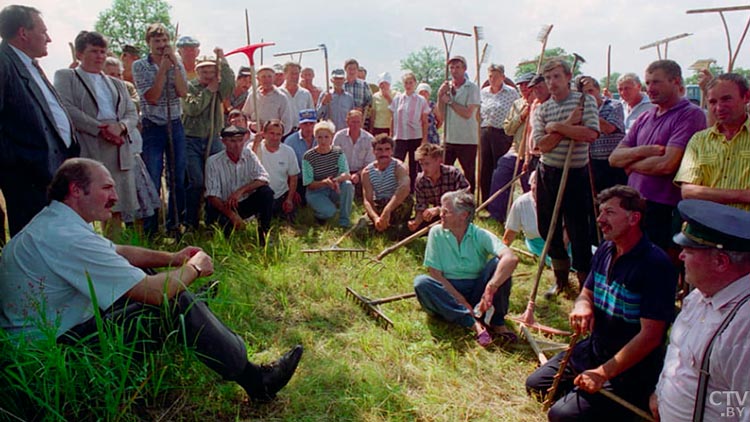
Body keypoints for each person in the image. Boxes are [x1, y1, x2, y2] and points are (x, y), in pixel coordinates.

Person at [0, 157, 303, 402]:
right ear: (76, 190)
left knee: (162, 285)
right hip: (53, 355)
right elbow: (154, 294)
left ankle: (197, 314)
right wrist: (194, 268)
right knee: (173, 300)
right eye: (106, 188)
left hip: (52, 337)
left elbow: (118, 252)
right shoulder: (66, 236)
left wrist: (172, 259)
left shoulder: (58, 223)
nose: (115, 197)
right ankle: (257, 380)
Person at [526, 185, 677, 421]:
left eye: (609, 213)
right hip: (593, 350)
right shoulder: (607, 248)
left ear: (634, 218)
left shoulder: (656, 266)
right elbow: (587, 291)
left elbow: (651, 337)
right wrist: (582, 305)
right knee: (536, 385)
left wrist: (603, 373)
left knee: (561, 416)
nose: (600, 219)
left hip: (630, 369)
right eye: (600, 212)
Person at [650, 199, 750, 422]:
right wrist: (661, 392)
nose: (681, 256)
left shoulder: (745, 327)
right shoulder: (700, 295)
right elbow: (677, 351)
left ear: (721, 262)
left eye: (689, 250)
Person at [609, 60, 706, 253]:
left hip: (664, 206)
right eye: (648, 83)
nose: (650, 88)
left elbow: (667, 164)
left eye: (656, 82)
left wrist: (631, 163)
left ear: (676, 81)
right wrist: (645, 151)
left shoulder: (690, 115)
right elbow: (614, 158)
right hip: (636, 202)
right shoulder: (646, 116)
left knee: (659, 264)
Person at [0, 4, 78, 236]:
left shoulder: (29, 64)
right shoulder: (4, 63)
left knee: (54, 237)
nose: (49, 38)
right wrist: (14, 160)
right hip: (27, 175)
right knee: (34, 241)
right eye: (43, 32)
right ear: (23, 33)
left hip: (51, 169)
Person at [54, 30, 139, 236]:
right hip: (89, 145)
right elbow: (65, 107)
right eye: (94, 51)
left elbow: (131, 112)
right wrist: (99, 129)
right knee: (86, 201)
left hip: (119, 147)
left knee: (114, 202)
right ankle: (86, 247)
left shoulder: (117, 84)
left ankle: (116, 249)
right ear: (80, 54)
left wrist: (121, 127)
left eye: (103, 51)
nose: (100, 56)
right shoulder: (67, 76)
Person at [413, 190, 518, 346]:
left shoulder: (479, 234)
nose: (440, 215)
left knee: (500, 265)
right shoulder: (436, 232)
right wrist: (460, 300)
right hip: (448, 290)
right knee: (421, 283)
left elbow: (511, 258)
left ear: (463, 215)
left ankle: (497, 323)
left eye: (446, 212)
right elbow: (435, 274)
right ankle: (473, 323)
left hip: (478, 289)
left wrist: (491, 286)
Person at [532, 59, 599, 296]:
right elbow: (542, 146)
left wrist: (557, 127)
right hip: (547, 172)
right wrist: (568, 124)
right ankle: (561, 280)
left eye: (556, 77)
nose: (552, 82)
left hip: (575, 173)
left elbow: (590, 134)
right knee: (547, 227)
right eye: (548, 78)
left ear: (568, 76)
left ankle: (585, 286)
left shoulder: (584, 101)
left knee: (578, 229)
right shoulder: (541, 109)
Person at [132, 23, 189, 234]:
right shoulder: (140, 66)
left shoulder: (177, 62)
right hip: (153, 125)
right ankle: (151, 228)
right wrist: (163, 71)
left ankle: (175, 225)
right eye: (157, 41)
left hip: (175, 123)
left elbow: (183, 92)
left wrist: (174, 68)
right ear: (149, 43)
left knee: (178, 177)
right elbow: (152, 97)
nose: (162, 45)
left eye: (165, 40)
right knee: (153, 177)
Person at [675, 73, 750, 211]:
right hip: (704, 228)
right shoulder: (699, 140)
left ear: (746, 97)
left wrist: (708, 193)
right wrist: (742, 195)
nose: (719, 108)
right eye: (712, 102)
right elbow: (688, 192)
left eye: (726, 99)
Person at [182, 51, 234, 229]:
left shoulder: (219, 89)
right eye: (204, 71)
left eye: (212, 71)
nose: (208, 75)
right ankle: (191, 222)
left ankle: (214, 220)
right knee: (196, 181)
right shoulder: (188, 87)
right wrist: (208, 91)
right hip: (191, 141)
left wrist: (224, 61)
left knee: (216, 181)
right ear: (198, 72)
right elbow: (192, 108)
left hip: (213, 139)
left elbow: (229, 83)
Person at [205, 125, 274, 242]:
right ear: (224, 142)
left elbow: (264, 177)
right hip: (223, 206)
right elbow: (212, 196)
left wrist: (241, 191)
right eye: (232, 141)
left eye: (240, 140)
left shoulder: (249, 155)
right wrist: (232, 216)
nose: (237, 145)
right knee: (223, 231)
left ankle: (264, 235)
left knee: (266, 192)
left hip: (242, 202)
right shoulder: (213, 162)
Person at [488, 72, 535, 222]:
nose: (523, 88)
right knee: (500, 174)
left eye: (527, 85)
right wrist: (521, 116)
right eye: (520, 85)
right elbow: (508, 129)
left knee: (531, 185)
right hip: (516, 151)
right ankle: (497, 215)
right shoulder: (518, 104)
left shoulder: (542, 103)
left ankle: (532, 219)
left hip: (534, 153)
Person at [436, 56, 480, 192]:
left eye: (458, 67)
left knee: (468, 173)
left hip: (467, 139)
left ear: (464, 69)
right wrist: (440, 96)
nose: (454, 71)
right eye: (452, 68)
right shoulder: (447, 87)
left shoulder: (472, 88)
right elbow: (440, 115)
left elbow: (467, 113)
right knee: (444, 171)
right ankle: (445, 201)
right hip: (449, 138)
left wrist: (450, 101)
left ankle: (469, 201)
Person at [578, 76, 627, 193]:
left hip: (613, 163)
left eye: (590, 91)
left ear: (598, 90)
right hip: (592, 162)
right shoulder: (580, 110)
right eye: (584, 93)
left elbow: (609, 128)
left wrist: (590, 112)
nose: (588, 96)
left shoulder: (614, 105)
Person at [479, 63, 519, 202]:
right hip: (485, 132)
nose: (493, 79)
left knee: (500, 167)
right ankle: (485, 201)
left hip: (502, 134)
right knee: (485, 167)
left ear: (503, 77)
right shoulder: (483, 92)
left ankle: (500, 201)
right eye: (490, 76)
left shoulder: (512, 93)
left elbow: (518, 111)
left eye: (496, 76)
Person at [302, 120, 354, 227]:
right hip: (316, 191)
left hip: (334, 187)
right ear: (315, 138)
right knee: (330, 212)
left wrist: (336, 181)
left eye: (326, 137)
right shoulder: (308, 156)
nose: (323, 140)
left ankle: (344, 220)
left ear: (332, 137)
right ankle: (318, 214)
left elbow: (346, 174)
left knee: (348, 185)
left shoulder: (338, 152)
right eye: (319, 137)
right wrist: (324, 183)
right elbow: (308, 183)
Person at [408, 143, 469, 232]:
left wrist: (440, 209)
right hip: (438, 216)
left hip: (456, 212)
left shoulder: (453, 174)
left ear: (438, 160)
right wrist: (416, 222)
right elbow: (421, 206)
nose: (424, 168)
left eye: (427, 164)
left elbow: (465, 199)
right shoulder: (421, 180)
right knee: (406, 230)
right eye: (421, 164)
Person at [361, 134, 412, 233]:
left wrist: (387, 210)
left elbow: (405, 188)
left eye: (387, 149)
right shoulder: (367, 172)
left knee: (406, 203)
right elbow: (368, 200)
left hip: (396, 203)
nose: (383, 153)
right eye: (379, 149)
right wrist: (376, 218)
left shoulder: (399, 167)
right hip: (379, 203)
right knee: (361, 230)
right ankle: (383, 225)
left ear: (392, 151)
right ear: (373, 151)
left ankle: (395, 227)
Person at [391, 72, 430, 192]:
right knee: (397, 163)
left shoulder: (421, 100)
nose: (408, 85)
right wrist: (391, 135)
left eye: (410, 83)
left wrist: (424, 139)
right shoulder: (397, 99)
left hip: (415, 136)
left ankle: (414, 189)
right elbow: (393, 118)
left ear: (415, 84)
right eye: (406, 83)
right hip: (400, 136)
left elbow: (424, 121)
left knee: (415, 165)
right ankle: (396, 187)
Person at [255, 120, 300, 217]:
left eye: (278, 134)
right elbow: (250, 165)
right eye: (271, 133)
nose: (275, 137)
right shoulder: (255, 148)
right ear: (264, 133)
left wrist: (289, 199)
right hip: (260, 195)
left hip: (281, 195)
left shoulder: (288, 151)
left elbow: (293, 177)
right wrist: (255, 144)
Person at [242, 65, 294, 138]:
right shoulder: (252, 95)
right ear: (258, 79)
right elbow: (244, 116)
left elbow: (287, 123)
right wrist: (250, 125)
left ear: (274, 78)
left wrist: (276, 135)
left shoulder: (281, 97)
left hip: (274, 139)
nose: (267, 80)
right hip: (255, 136)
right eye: (263, 77)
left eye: (269, 76)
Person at [332, 109, 375, 191]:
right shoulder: (339, 136)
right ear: (347, 122)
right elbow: (334, 158)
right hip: (342, 171)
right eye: (353, 122)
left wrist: (358, 175)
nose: (355, 125)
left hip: (361, 172)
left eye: (358, 122)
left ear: (362, 123)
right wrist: (345, 174)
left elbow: (370, 163)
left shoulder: (369, 139)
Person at [285, 109, 318, 204]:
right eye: (305, 124)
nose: (308, 127)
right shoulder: (290, 141)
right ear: (299, 125)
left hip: (318, 178)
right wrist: (292, 190)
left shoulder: (321, 138)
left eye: (311, 124)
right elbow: (286, 169)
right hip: (299, 180)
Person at [278, 62, 314, 132]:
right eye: (292, 73)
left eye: (297, 74)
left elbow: (311, 116)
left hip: (301, 133)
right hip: (282, 133)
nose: (295, 76)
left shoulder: (305, 94)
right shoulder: (278, 93)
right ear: (285, 75)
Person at [317, 68, 354, 133]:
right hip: (329, 133)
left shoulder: (349, 98)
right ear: (331, 80)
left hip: (344, 133)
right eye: (336, 79)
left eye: (340, 79)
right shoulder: (325, 95)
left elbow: (352, 118)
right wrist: (323, 103)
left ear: (344, 80)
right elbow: (317, 115)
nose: (338, 81)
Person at [370, 72, 394, 136]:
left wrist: (388, 97)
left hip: (389, 127)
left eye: (385, 83)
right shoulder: (375, 96)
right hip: (377, 127)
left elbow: (396, 111)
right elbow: (373, 114)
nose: (383, 85)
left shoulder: (395, 94)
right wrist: (371, 129)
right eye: (381, 83)